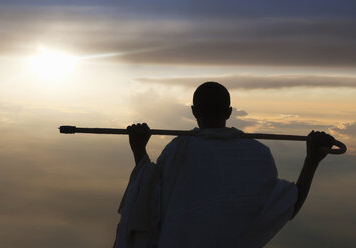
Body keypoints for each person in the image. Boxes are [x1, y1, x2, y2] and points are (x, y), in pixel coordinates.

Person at [113, 82, 334, 248]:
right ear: (229, 112)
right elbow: (289, 207)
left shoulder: (178, 149)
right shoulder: (258, 153)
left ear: (193, 111)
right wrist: (312, 159)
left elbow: (148, 202)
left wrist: (139, 149)